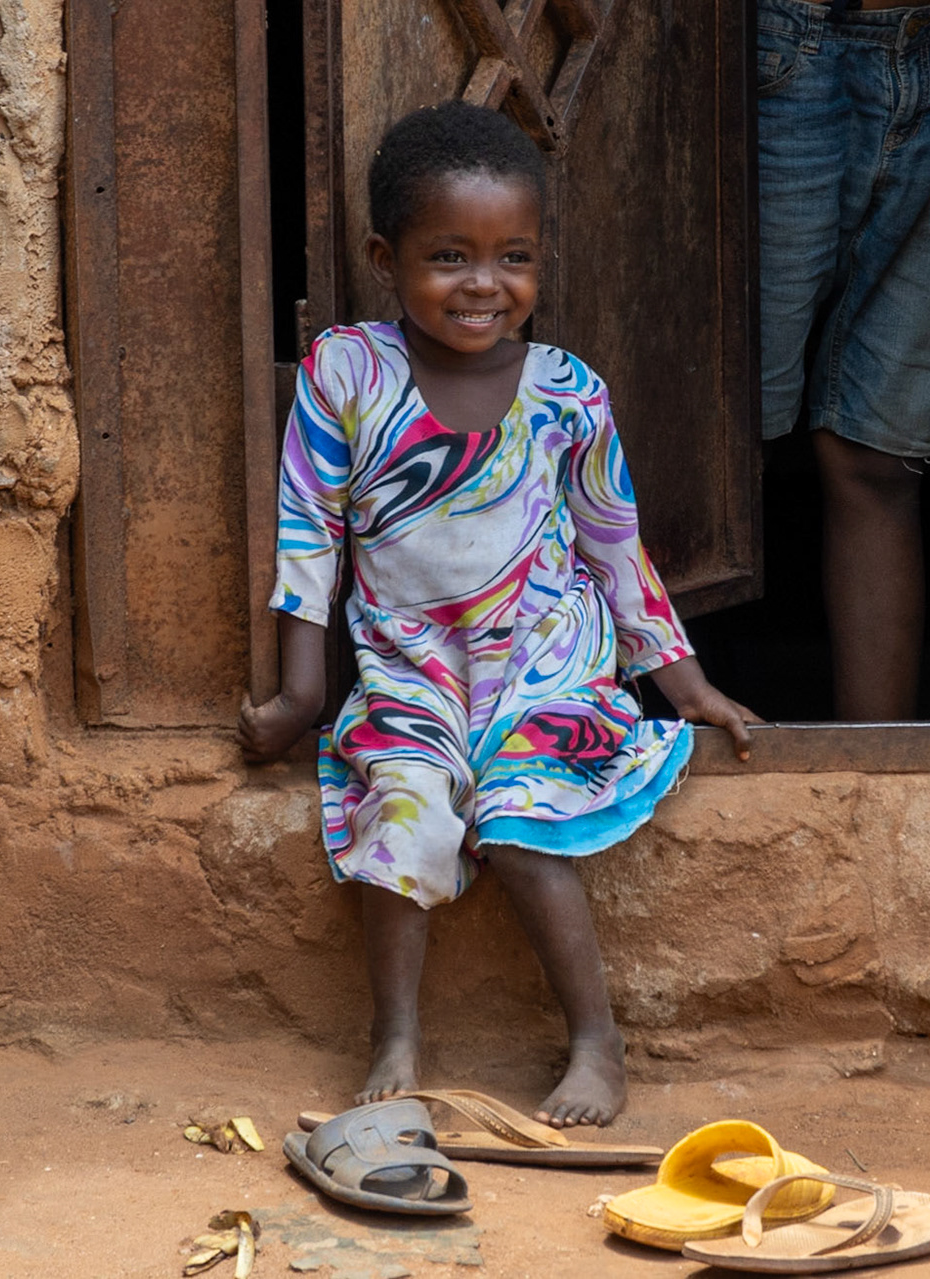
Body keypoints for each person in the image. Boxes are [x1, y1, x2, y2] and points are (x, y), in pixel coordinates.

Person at [236, 102, 758, 1127]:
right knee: (405, 813)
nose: (484, 284)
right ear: (386, 259)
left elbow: (615, 544)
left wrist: (684, 684)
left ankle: (597, 1043)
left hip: (543, 661)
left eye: (512, 256)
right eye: (449, 257)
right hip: (410, 667)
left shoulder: (568, 392)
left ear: (541, 259)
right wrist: (304, 692)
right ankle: (395, 1031)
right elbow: (309, 534)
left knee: (521, 822)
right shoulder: (348, 373)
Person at [757, 0, 930, 721]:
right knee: (719, 449)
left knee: (879, 456)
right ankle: (637, 752)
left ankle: (874, 775)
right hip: (784, 42)